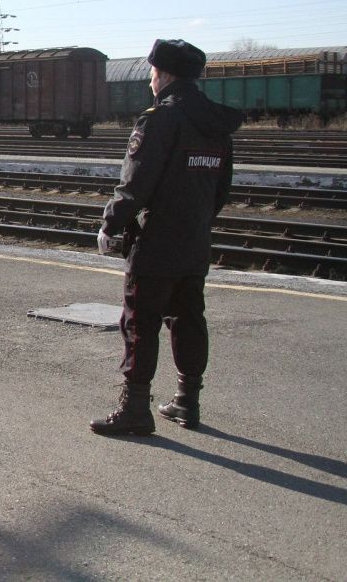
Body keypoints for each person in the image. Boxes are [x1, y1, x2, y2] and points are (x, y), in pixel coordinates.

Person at [90, 39, 243, 436]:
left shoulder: (160, 119)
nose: (150, 81)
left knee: (140, 322)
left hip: (156, 242)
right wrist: (195, 222)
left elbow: (135, 183)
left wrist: (111, 224)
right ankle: (187, 402)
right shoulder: (215, 124)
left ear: (165, 74)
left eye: (152, 73)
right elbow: (221, 190)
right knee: (189, 318)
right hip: (195, 241)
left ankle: (136, 409)